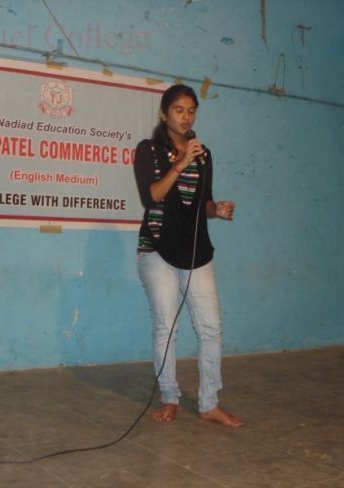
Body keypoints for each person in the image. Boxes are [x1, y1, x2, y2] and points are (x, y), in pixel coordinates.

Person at [133, 84, 242, 427]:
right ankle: (169, 397)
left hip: (195, 249)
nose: (186, 117)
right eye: (179, 110)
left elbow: (202, 202)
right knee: (167, 326)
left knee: (211, 328)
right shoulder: (148, 150)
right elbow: (152, 195)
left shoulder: (203, 154)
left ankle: (209, 403)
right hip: (157, 247)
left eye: (191, 110)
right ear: (164, 113)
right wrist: (181, 163)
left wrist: (216, 209)